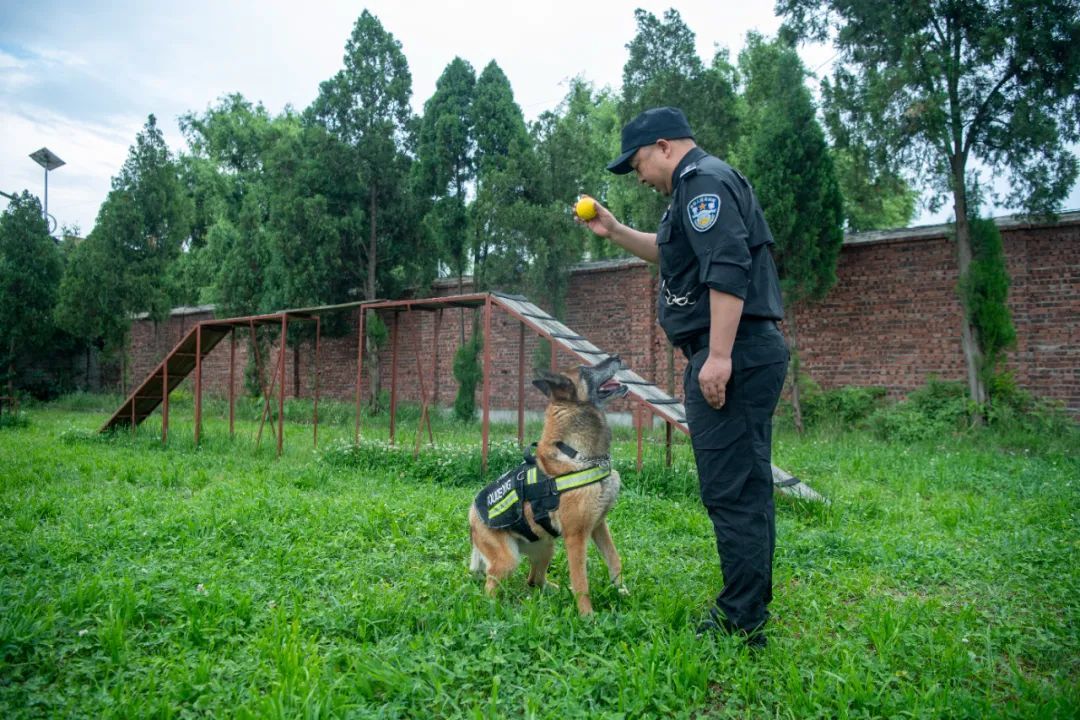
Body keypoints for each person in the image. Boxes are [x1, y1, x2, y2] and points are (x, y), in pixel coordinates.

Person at [580, 106, 789, 648]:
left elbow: (726, 262)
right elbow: (673, 252)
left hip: (733, 352)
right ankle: (751, 604)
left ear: (666, 146)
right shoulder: (694, 192)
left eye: (639, 162)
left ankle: (742, 620)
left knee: (732, 491)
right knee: (746, 483)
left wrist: (718, 357)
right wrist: (615, 230)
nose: (639, 176)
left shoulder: (703, 185)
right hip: (742, 351)